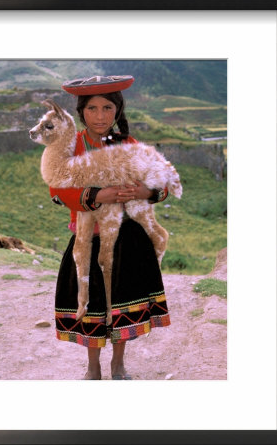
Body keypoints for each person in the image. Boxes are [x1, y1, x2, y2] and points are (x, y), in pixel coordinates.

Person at [49, 75, 170, 380]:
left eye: (107, 108)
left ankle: (118, 363)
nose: (100, 116)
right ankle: (93, 366)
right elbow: (56, 189)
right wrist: (97, 195)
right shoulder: (71, 145)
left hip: (128, 239)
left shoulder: (128, 144)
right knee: (92, 307)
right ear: (81, 112)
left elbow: (162, 182)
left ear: (117, 111)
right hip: (88, 237)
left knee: (122, 306)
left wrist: (144, 192)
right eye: (92, 108)